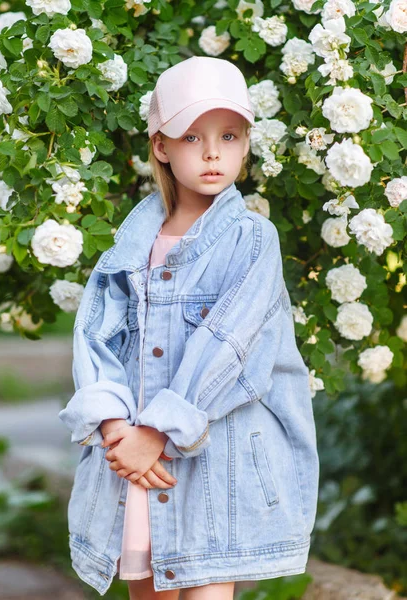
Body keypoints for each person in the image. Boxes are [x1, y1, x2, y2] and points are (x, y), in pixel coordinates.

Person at [58, 56, 320, 600]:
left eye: (228, 135)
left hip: (213, 464)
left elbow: (231, 345)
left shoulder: (252, 239)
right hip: (135, 463)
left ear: (246, 144)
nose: (211, 153)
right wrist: (114, 429)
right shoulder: (128, 248)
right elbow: (96, 338)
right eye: (192, 136)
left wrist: (156, 433)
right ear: (161, 146)